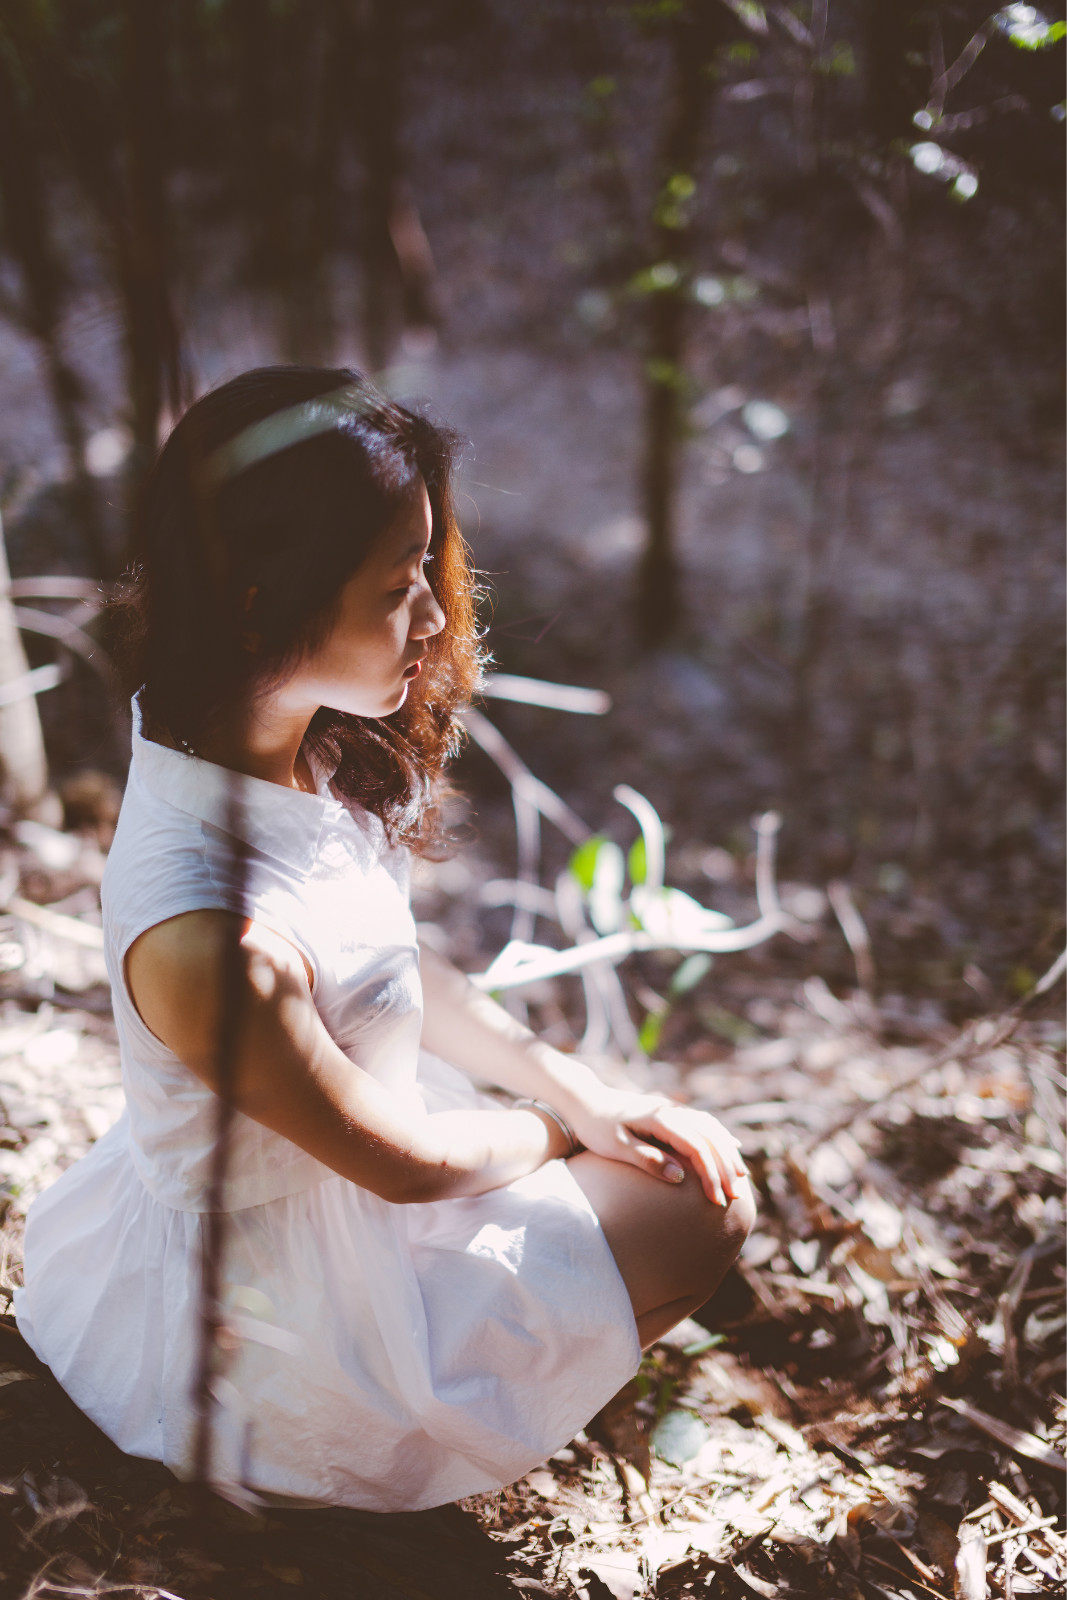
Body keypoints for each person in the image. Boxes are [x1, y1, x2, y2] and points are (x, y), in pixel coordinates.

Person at [15, 366, 754, 1512]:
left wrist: (578, 1087)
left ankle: (491, 1405)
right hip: (269, 1330)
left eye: (426, 573)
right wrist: (560, 1132)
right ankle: (371, 1474)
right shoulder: (210, 932)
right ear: (259, 600)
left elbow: (391, 958)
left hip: (351, 1204)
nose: (436, 617)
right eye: (399, 584)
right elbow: (403, 1165)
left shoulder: (267, 743)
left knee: (675, 1169)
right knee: (701, 1205)